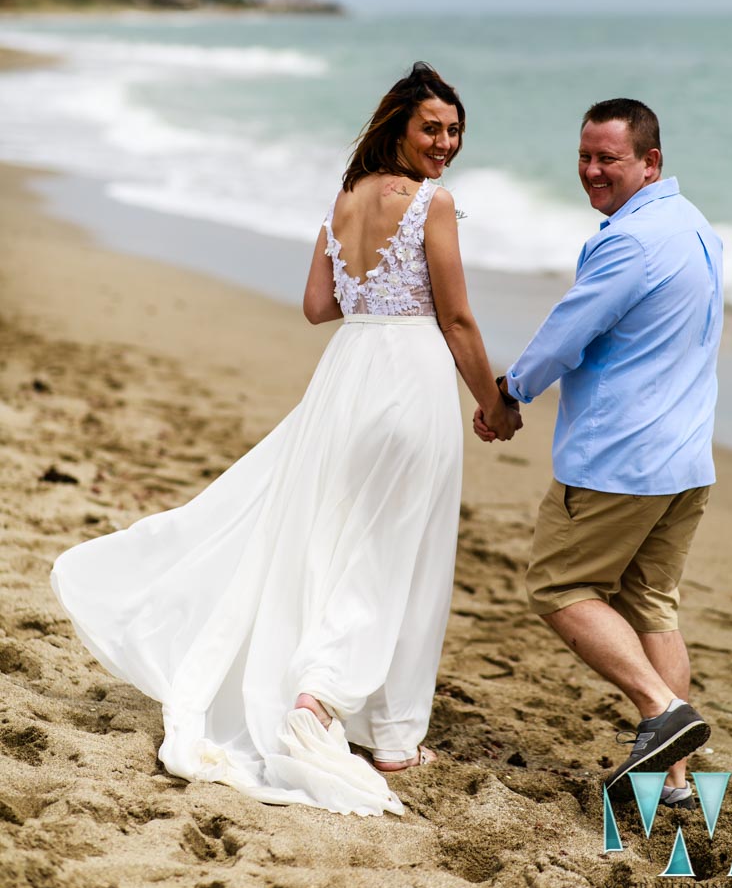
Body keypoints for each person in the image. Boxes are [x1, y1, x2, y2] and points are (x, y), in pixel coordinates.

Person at [51, 62, 520, 817]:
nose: (445, 142)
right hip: (408, 378)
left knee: (335, 537)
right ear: (398, 126)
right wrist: (493, 402)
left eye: (454, 130)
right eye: (432, 127)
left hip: (346, 377)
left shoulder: (344, 199)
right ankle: (357, 717)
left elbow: (315, 305)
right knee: (399, 548)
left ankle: (356, 709)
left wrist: (371, 288)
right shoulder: (432, 203)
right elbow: (458, 320)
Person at [476, 98, 723, 809]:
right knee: (650, 607)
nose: (590, 170)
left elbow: (566, 332)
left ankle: (660, 709)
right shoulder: (696, 226)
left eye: (607, 158)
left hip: (620, 462)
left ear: (650, 162)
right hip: (684, 461)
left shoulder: (630, 241)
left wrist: (509, 393)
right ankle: (672, 781)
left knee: (557, 586)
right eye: (584, 155)